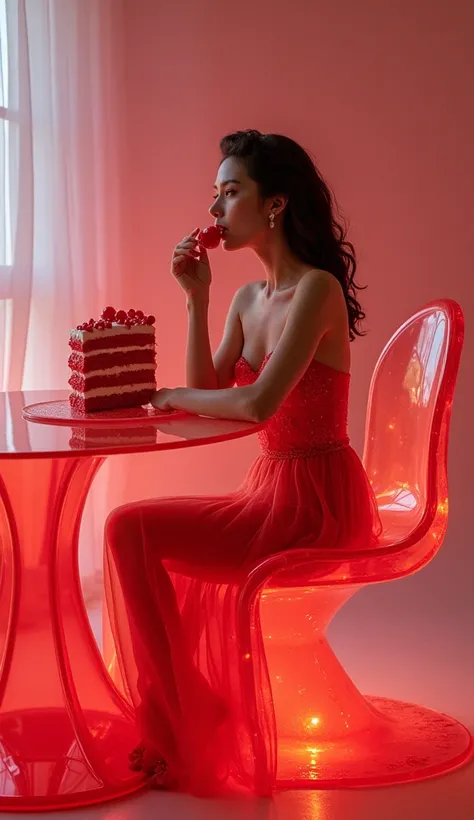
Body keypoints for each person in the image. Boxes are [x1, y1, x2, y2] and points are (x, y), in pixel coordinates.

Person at [104, 129, 382, 797]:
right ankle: (192, 706)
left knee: (130, 531)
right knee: (128, 529)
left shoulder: (317, 292)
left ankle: (187, 719)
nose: (216, 212)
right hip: (266, 490)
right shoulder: (245, 299)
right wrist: (195, 299)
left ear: (276, 205)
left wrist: (167, 393)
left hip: (316, 498)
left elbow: (254, 406)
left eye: (232, 193)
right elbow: (209, 399)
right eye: (215, 195)